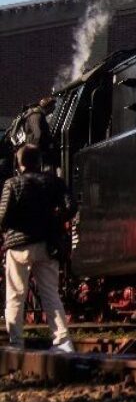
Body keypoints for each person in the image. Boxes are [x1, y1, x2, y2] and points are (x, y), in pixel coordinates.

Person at [0, 148, 74, 352]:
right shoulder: (54, 182)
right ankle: (63, 341)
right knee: (50, 293)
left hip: (18, 247)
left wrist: (12, 228)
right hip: (47, 244)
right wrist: (55, 220)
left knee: (15, 296)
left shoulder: (12, 184)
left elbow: (2, 217)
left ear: (19, 164)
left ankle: (16, 343)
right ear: (39, 162)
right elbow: (71, 207)